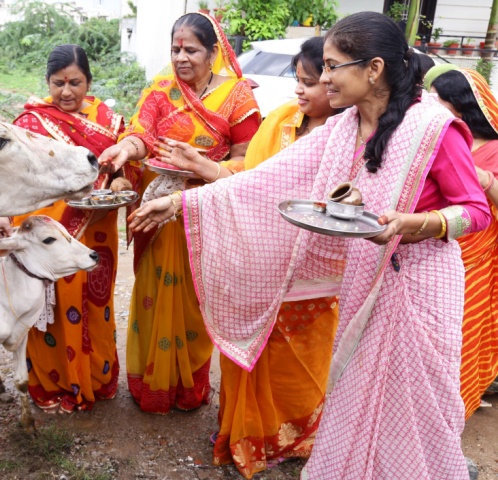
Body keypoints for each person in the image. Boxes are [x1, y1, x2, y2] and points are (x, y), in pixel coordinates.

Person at [130, 12, 490, 478]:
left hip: (419, 285)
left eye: (332, 66)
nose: (322, 79)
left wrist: (417, 223)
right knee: (356, 394)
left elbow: (475, 212)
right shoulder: (343, 129)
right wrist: (183, 203)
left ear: (373, 69)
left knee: (412, 403)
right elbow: (264, 182)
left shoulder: (432, 129)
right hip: (365, 279)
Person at [97, 12, 261, 414]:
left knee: (196, 299)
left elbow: (250, 159)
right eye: (175, 49)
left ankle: (189, 385)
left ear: (214, 52)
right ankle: (151, 384)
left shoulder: (239, 95)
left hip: (208, 211)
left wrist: (204, 168)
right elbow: (141, 134)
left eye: (191, 49)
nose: (181, 57)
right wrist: (126, 149)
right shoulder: (161, 90)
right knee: (154, 295)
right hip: (158, 212)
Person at [211, 36, 342, 478]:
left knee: (299, 354)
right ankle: (247, 431)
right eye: (299, 81)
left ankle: (295, 434)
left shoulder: (351, 135)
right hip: (262, 255)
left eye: (312, 82)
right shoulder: (284, 118)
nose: (301, 91)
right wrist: (209, 170)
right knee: (255, 346)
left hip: (316, 267)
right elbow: (254, 178)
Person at [0, 44, 124, 413]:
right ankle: (51, 380)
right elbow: (11, 178)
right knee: (43, 304)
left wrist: (119, 182)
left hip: (95, 227)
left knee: (96, 304)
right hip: (44, 231)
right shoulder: (30, 123)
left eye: (75, 82)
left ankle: (94, 378)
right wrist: (3, 215)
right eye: (58, 83)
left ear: (89, 81)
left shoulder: (110, 122)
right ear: (48, 83)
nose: (66, 92)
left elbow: (123, 168)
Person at [429, 67, 498, 418]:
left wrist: (484, 179)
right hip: (435, 247)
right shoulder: (438, 136)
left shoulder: (494, 149)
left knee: (462, 338)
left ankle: (451, 413)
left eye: (437, 98)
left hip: (475, 257)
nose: (429, 103)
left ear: (460, 105)